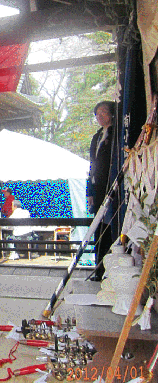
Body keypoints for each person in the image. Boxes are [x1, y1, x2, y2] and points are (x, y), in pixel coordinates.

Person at [87, 100, 116, 280]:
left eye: (104, 112)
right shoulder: (97, 136)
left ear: (112, 113)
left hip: (112, 185)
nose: (100, 116)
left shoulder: (116, 133)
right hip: (97, 188)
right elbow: (91, 166)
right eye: (97, 114)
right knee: (98, 227)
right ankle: (99, 268)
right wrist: (89, 191)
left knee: (110, 227)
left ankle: (110, 270)